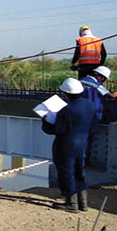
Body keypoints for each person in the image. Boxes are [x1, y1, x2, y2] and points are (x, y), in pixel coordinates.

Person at [41, 78, 98, 212]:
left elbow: (55, 130)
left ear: (66, 93)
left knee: (66, 172)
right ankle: (83, 203)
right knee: (79, 171)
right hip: (82, 143)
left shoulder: (66, 110)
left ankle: (71, 203)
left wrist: (45, 120)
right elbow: (94, 125)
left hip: (66, 145)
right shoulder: (89, 105)